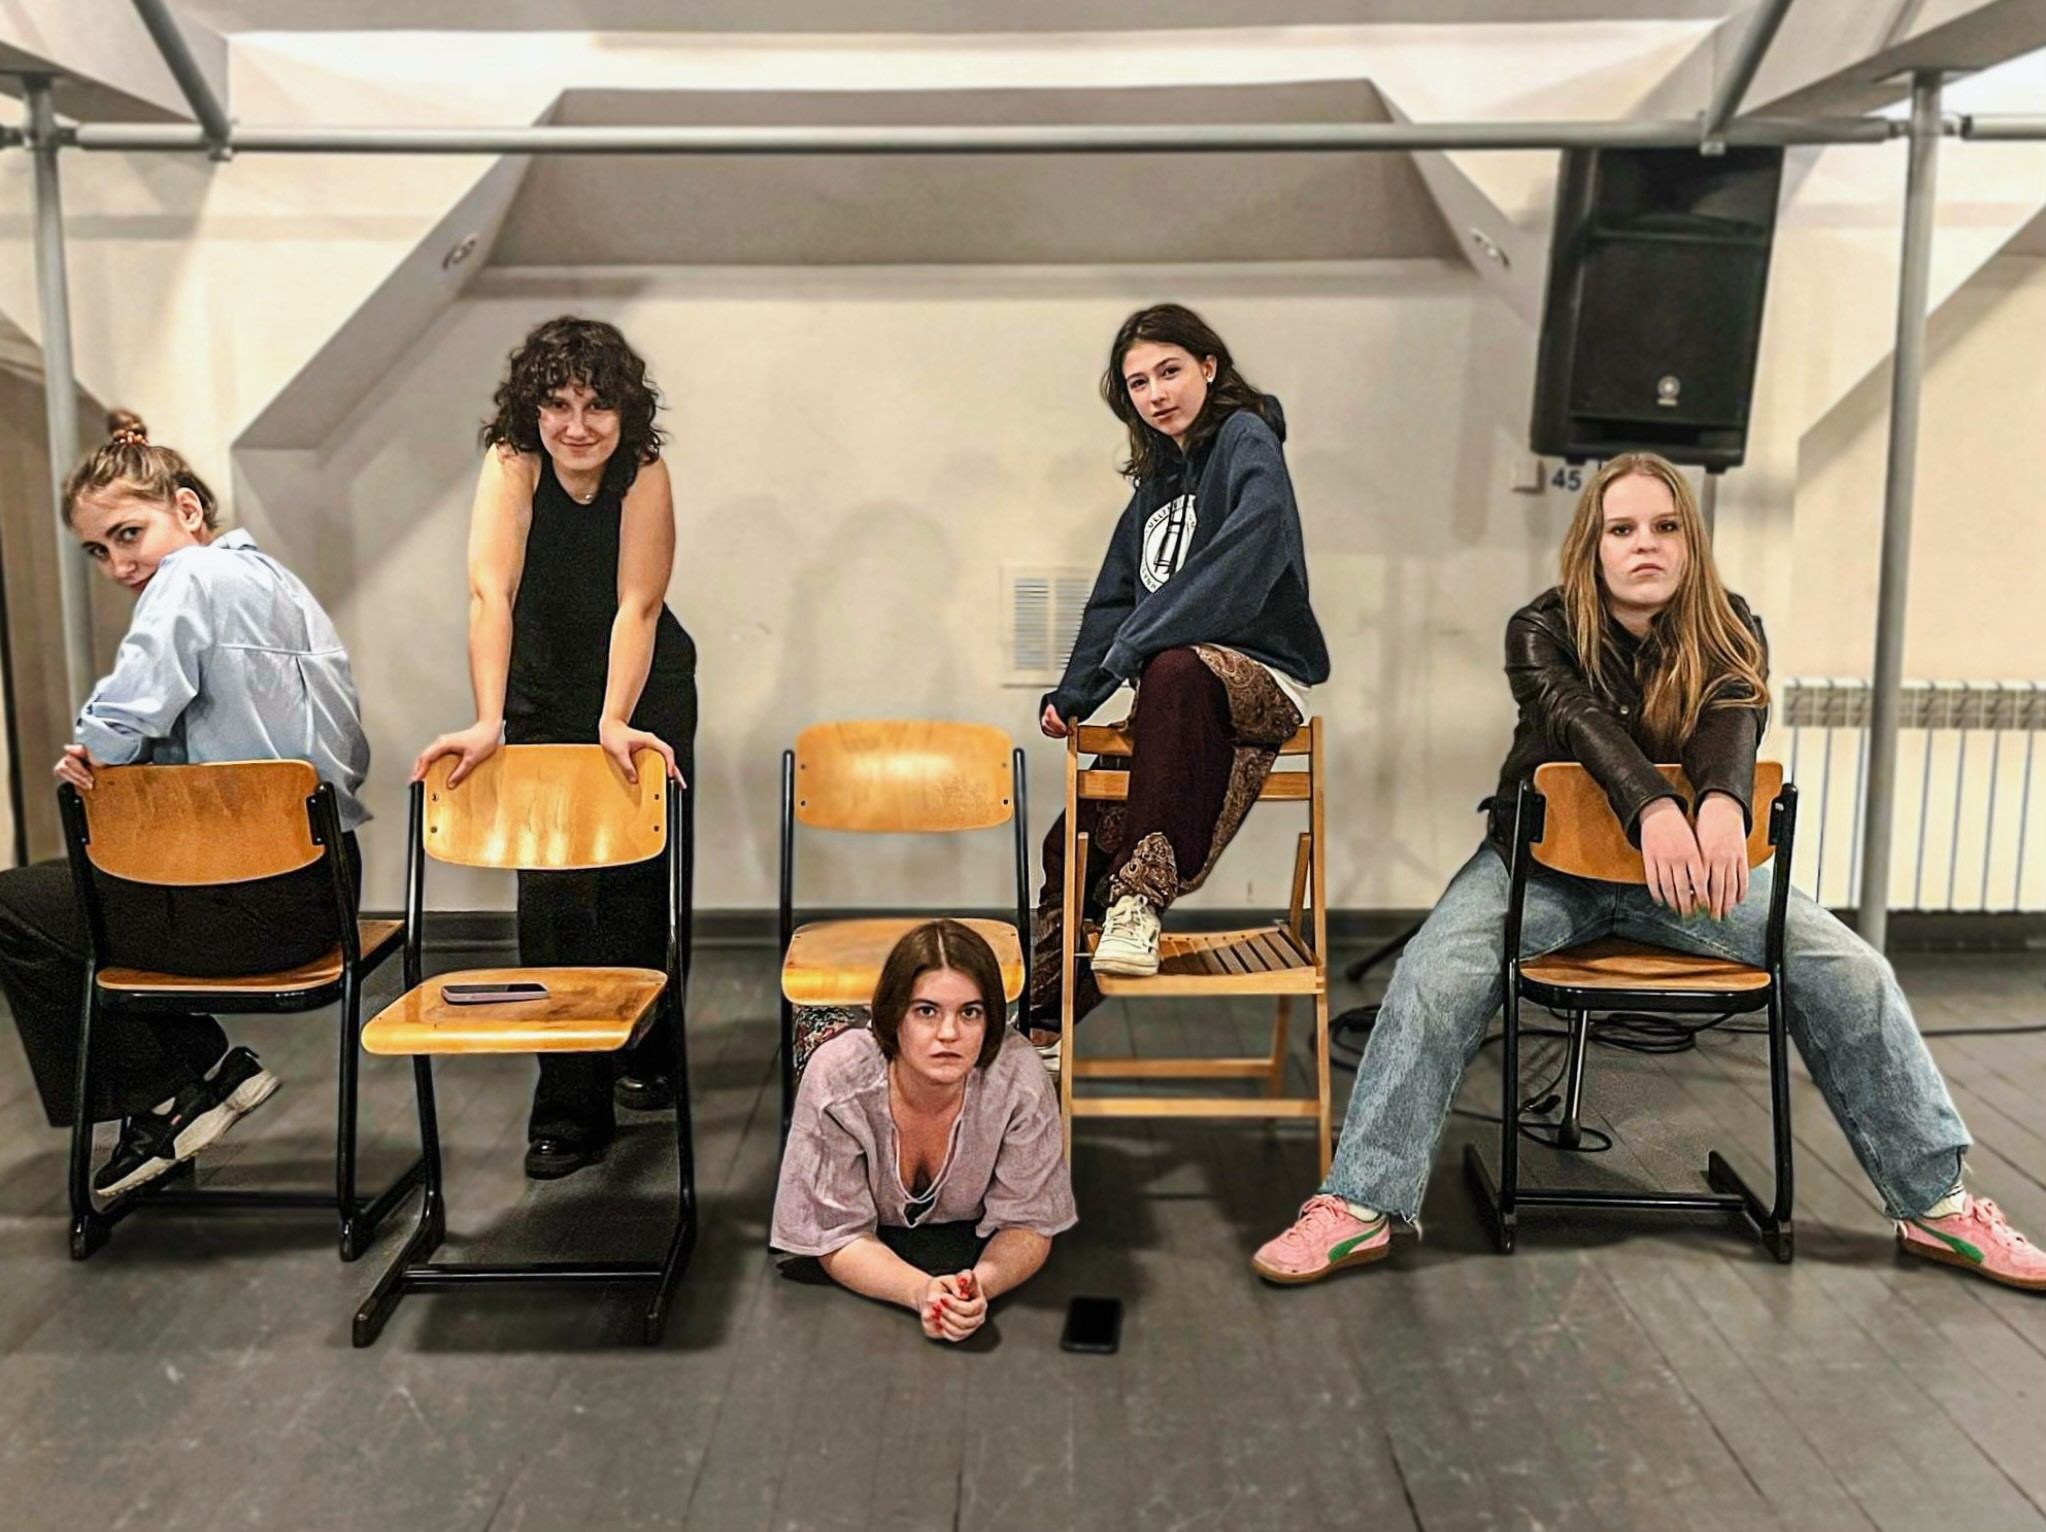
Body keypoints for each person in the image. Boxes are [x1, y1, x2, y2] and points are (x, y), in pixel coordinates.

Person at [1253, 452, 2045, 1293]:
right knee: (1433, 972)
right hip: (1543, 870)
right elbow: (1577, 720)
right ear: (1591, 546)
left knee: (1855, 971)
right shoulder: (1541, 629)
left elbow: (1735, 711)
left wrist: (1725, 803)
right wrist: (1656, 808)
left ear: (1691, 541)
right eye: (1622, 529)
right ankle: (1360, 1203)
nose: (1646, 545)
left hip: (1688, 884)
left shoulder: (1733, 625)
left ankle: (1937, 1205)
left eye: (1666, 527)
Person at [0, 411, 371, 1199]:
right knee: (85, 899)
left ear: (189, 509)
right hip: (327, 889)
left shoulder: (190, 578)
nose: (118, 565)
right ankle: (194, 1079)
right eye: (99, 551)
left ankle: (174, 1091)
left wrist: (90, 753)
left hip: (247, 903)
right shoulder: (279, 583)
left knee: (17, 905)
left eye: (128, 535)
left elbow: (122, 720)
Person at [414, 316, 696, 1181]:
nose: (577, 426)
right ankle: (569, 1108)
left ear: (624, 412)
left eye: (596, 406)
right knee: (554, 895)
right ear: (531, 410)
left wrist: (614, 719)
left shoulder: (642, 469)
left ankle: (645, 1045)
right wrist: (488, 718)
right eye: (559, 406)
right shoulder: (512, 463)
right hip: (537, 685)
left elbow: (638, 605)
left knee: (637, 882)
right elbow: (489, 593)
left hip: (641, 686)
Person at [1027, 304, 1329, 1055]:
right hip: (1177, 689)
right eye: (1138, 383)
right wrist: (1076, 693)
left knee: (1175, 665)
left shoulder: (1247, 437)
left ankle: (1140, 903)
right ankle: (1042, 1031)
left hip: (1262, 675)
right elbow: (1117, 597)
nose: (1156, 393)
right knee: (1074, 842)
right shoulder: (1157, 481)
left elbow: (1250, 553)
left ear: (1209, 367)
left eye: (1170, 371)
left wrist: (1139, 648)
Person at [772, 921, 1076, 1343]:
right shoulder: (837, 1078)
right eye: (926, 1011)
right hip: (844, 1054)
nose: (949, 1034)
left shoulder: (1019, 1077)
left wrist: (976, 1287)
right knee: (822, 1037)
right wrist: (919, 1291)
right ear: (895, 1016)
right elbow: (834, 1233)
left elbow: (1030, 1222)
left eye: (970, 1012)